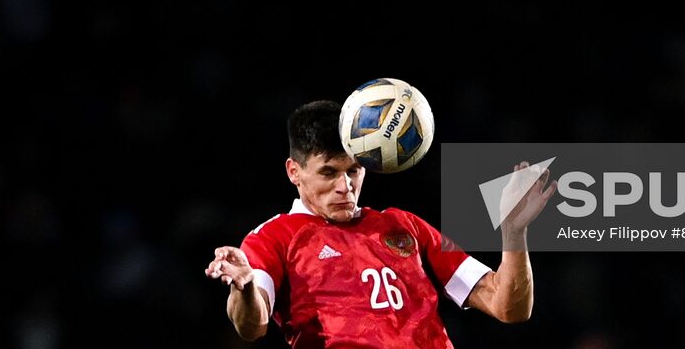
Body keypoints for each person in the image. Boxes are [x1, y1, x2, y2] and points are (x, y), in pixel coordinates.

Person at [204, 99, 556, 346]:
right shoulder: (273, 238)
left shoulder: (405, 226)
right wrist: (245, 287)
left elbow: (508, 307)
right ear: (294, 171)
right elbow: (252, 326)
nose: (345, 187)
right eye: (328, 172)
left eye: (353, 171)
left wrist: (513, 232)